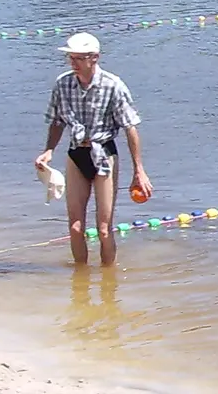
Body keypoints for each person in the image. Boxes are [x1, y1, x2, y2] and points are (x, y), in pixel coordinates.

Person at [35, 32, 153, 267]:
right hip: (76, 153)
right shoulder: (63, 84)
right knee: (76, 226)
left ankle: (108, 284)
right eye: (70, 58)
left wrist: (139, 170)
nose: (73, 63)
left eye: (79, 58)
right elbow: (56, 121)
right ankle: (81, 276)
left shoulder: (113, 85)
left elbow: (130, 128)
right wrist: (48, 150)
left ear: (94, 58)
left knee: (104, 229)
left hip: (104, 154)